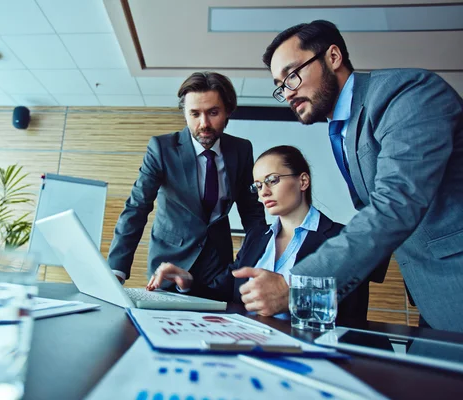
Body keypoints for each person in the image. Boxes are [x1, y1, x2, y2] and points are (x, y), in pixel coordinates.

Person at [254, 20, 463, 332]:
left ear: (333, 57)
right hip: (430, 290)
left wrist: (294, 285)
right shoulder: (340, 128)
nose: (287, 94)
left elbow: (396, 204)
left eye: (292, 75)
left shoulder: (407, 94)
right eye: (280, 86)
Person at [147, 145, 386, 323]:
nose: (264, 192)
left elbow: (350, 311)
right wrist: (187, 282)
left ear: (303, 181)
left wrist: (292, 300)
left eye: (272, 180)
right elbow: (226, 290)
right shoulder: (257, 237)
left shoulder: (341, 238)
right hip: (247, 345)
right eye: (258, 185)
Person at [108, 72, 266, 288]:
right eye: (195, 113)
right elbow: (137, 207)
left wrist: (261, 261)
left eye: (213, 112)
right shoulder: (162, 149)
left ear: (228, 110)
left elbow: (251, 212)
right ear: (184, 113)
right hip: (169, 262)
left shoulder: (241, 150)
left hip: (218, 265)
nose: (204, 123)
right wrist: (116, 270)